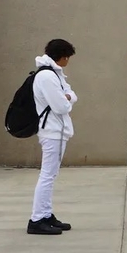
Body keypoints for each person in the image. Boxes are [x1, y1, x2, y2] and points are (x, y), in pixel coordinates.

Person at [28, 39, 78, 235]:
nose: (68, 61)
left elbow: (71, 94)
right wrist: (67, 98)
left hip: (55, 130)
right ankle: (37, 219)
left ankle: (46, 214)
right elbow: (62, 105)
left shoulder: (53, 73)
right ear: (63, 56)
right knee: (47, 175)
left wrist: (68, 97)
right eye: (68, 58)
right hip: (52, 132)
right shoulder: (48, 76)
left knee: (50, 175)